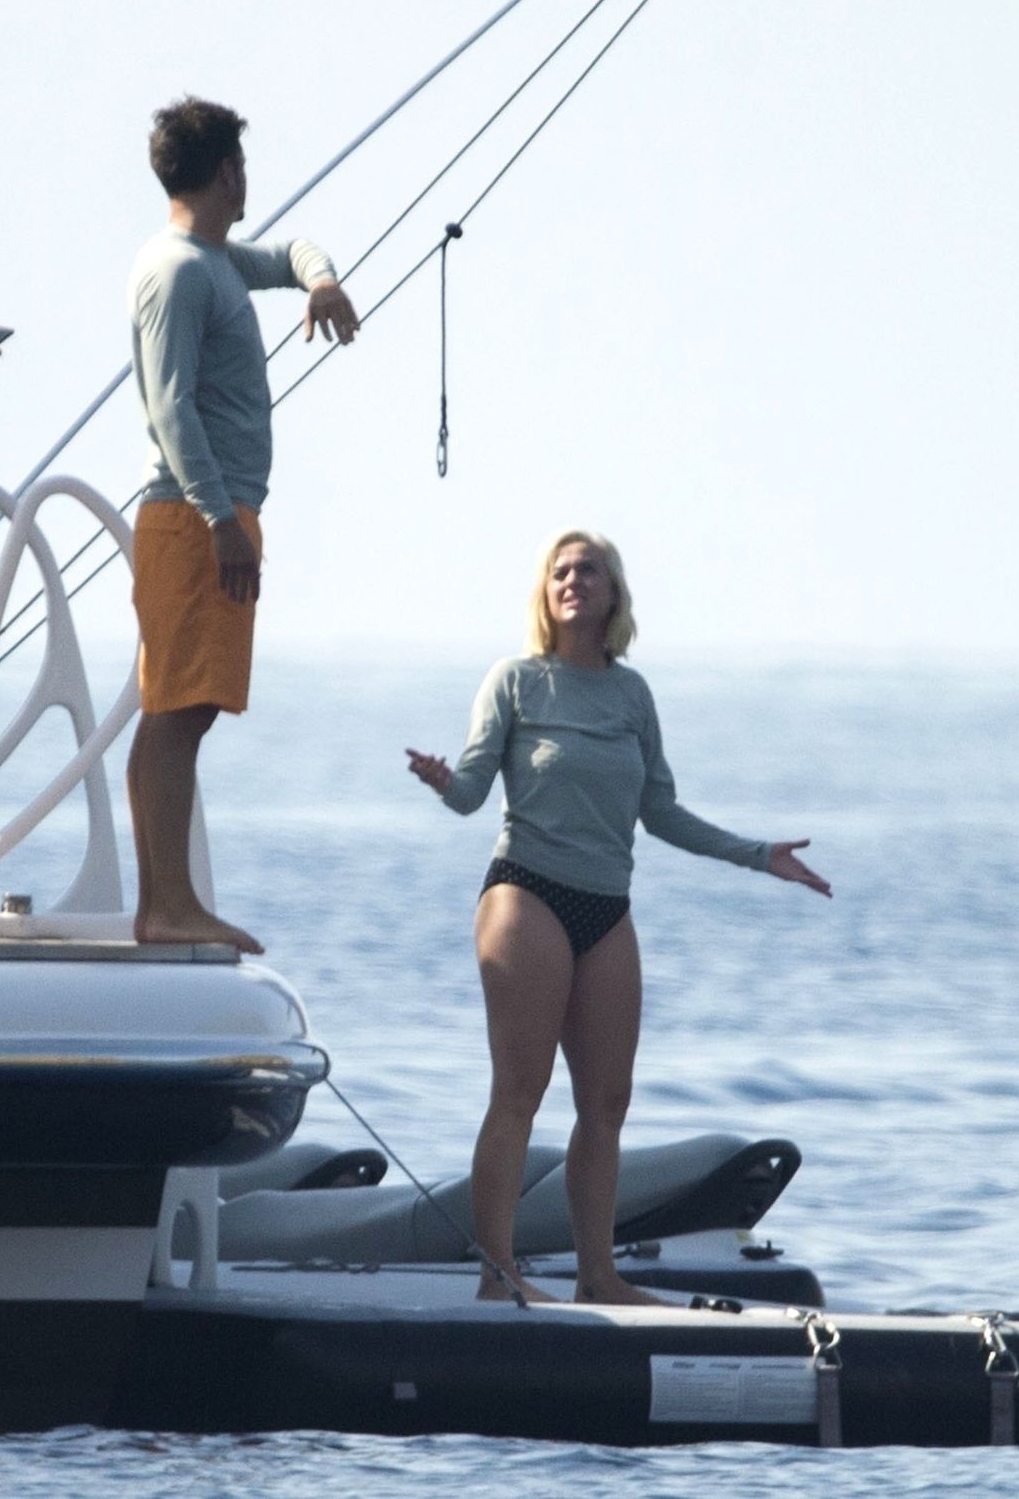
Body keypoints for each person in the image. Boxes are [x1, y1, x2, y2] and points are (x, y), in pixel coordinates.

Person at [407, 530, 831, 1304]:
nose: (573, 580)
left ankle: (598, 1277)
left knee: (606, 1105)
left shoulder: (632, 695)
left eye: (589, 570)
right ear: (547, 593)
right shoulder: (515, 681)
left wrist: (758, 854)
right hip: (526, 893)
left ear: (613, 594)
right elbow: (470, 794)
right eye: (560, 571)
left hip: (606, 907)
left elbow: (659, 810)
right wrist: (442, 781)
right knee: (520, 1090)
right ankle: (498, 1276)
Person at [125, 96, 359, 954]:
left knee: (187, 711)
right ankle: (166, 906)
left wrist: (321, 279)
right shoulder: (178, 271)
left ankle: (169, 902)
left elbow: (292, 252)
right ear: (227, 171)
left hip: (215, 515)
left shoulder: (216, 259)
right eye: (243, 165)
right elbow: (170, 408)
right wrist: (220, 519)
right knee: (176, 712)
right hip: (195, 518)